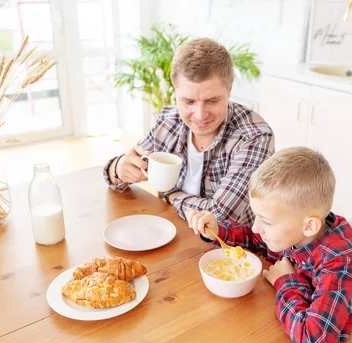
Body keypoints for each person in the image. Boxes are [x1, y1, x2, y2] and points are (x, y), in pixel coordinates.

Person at [187, 147, 352, 343]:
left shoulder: (340, 262)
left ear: (309, 225)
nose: (257, 228)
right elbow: (257, 240)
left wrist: (285, 282)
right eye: (256, 217)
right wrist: (219, 231)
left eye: (266, 221)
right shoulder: (297, 230)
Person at [103, 38, 274, 226]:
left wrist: (171, 196)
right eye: (188, 101)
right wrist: (118, 168)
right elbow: (126, 169)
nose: (200, 115)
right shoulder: (169, 121)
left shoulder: (254, 136)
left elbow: (220, 217)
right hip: (174, 231)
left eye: (212, 100)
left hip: (231, 249)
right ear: (176, 93)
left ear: (229, 89)